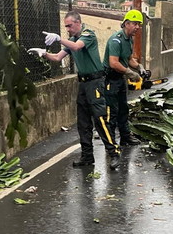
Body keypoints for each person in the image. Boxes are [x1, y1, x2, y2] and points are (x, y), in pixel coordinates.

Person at [28, 11, 121, 169]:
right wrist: (44, 54)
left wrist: (59, 38)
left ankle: (114, 153)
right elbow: (58, 57)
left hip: (95, 82)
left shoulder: (88, 35)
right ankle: (87, 156)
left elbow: (77, 47)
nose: (68, 29)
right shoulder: (72, 40)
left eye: (69, 26)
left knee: (99, 119)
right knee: (83, 122)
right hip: (83, 84)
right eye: (66, 27)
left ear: (78, 22)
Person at [102, 9, 149, 146]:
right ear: (126, 23)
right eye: (135, 24)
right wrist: (130, 73)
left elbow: (128, 59)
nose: (137, 27)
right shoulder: (116, 40)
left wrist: (139, 67)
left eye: (139, 25)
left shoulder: (129, 41)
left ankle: (125, 137)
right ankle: (110, 142)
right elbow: (113, 63)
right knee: (112, 111)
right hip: (110, 79)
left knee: (123, 108)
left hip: (120, 78)